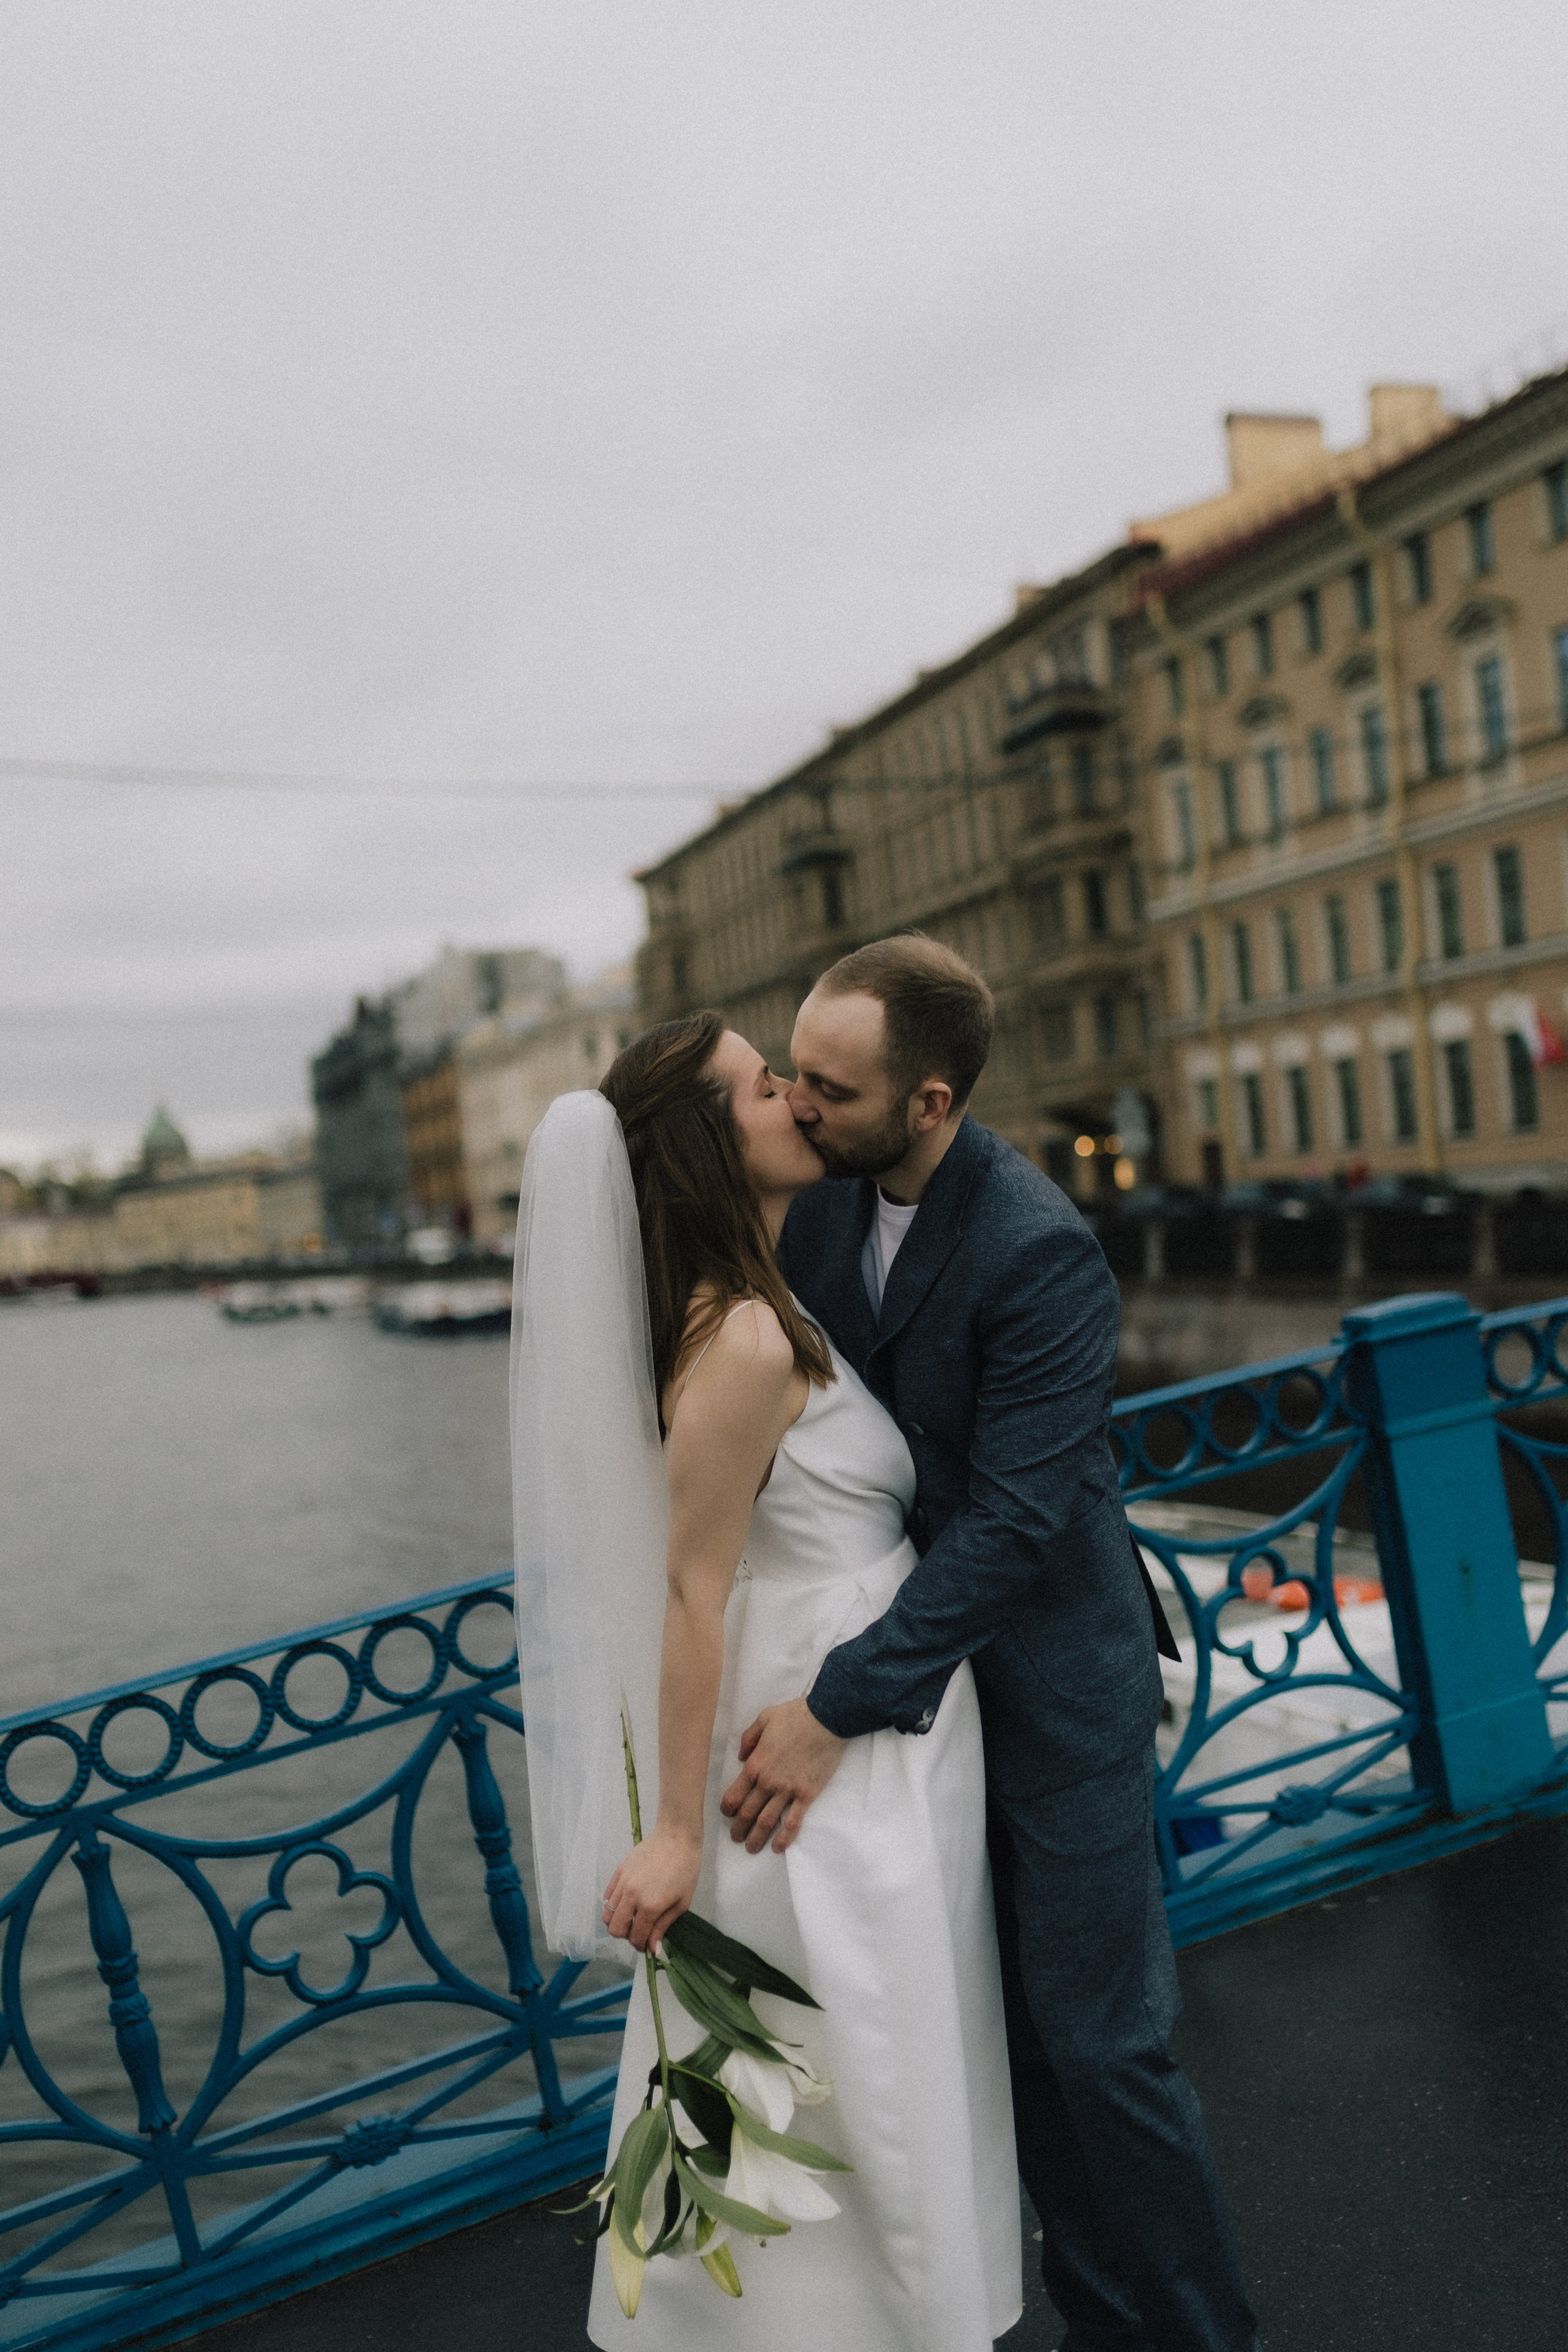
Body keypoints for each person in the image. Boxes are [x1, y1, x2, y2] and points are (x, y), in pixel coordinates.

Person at [720, 934, 1261, 2352]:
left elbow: (1013, 1527)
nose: (798, 1106)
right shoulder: (822, 1209)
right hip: (931, 1712)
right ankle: (1104, 2329)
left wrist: (834, 1701)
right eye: (789, 1075)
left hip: (1053, 1689)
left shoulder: (1039, 1249)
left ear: (932, 1104)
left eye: (830, 1089)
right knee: (1015, 2052)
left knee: (1102, 2048)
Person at [509, 1012, 1021, 2352]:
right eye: (758, 1085)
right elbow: (691, 1591)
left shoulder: (767, 1298)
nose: (793, 1097)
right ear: (699, 1144)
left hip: (864, 1731)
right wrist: (675, 1831)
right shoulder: (737, 1338)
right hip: (814, 1759)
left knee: (870, 2058)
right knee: (861, 2060)